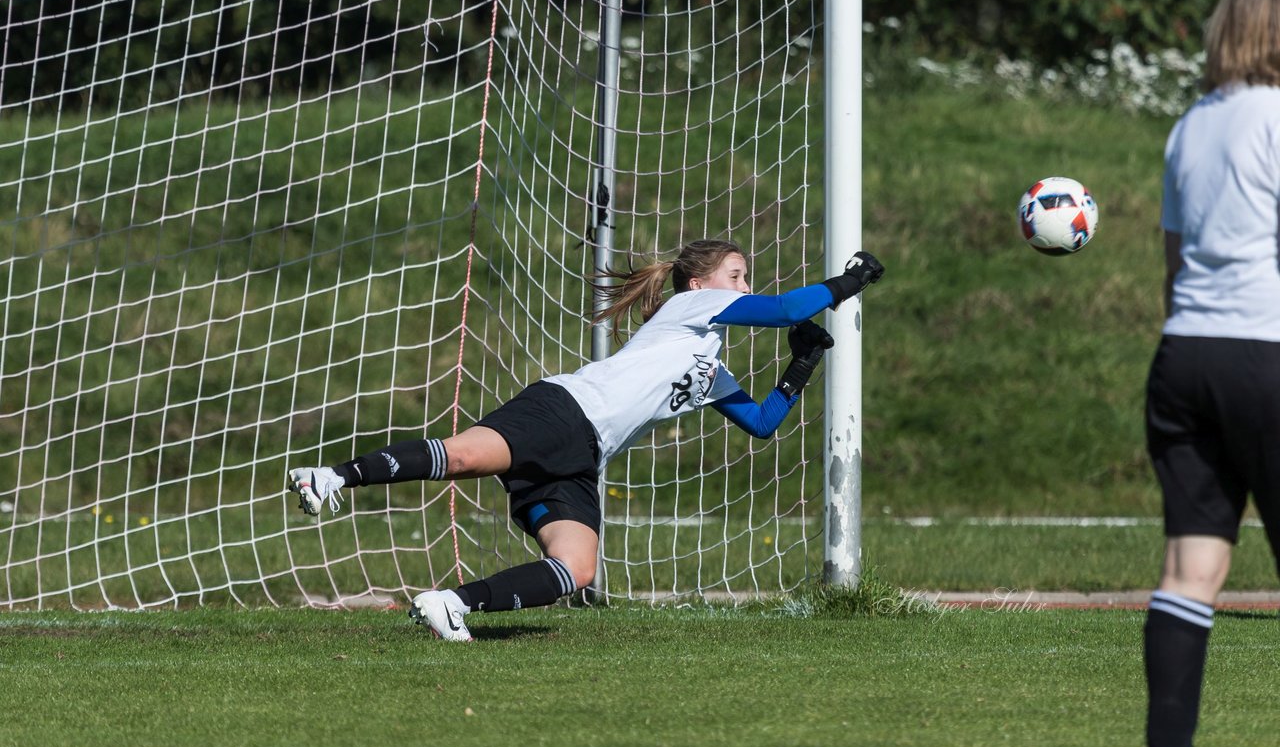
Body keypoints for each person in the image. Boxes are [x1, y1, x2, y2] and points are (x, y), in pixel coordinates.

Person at [286, 239, 884, 641]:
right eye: (737, 275)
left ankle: (452, 604)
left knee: (576, 567)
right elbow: (781, 309)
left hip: (585, 453)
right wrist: (847, 283)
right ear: (701, 283)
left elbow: (760, 422)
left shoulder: (710, 368)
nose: (745, 284)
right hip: (565, 409)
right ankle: (332, 476)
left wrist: (799, 368)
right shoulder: (685, 309)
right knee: (464, 456)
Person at [1139, 0, 1280, 747]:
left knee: (1190, 570)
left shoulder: (1191, 123)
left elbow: (1172, 262)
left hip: (1184, 355)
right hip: (1265, 353)